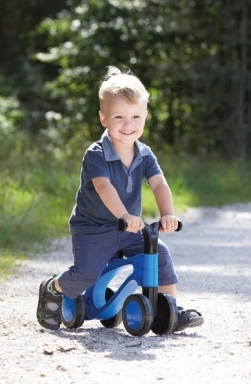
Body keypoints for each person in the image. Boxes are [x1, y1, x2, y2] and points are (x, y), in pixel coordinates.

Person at [36, 66, 204, 333]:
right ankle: (53, 287)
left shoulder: (145, 153)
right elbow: (104, 188)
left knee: (159, 253)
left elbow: (158, 182)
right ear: (104, 119)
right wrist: (124, 216)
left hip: (128, 230)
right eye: (119, 117)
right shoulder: (97, 154)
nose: (129, 124)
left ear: (146, 117)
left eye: (136, 116)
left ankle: (170, 309)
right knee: (86, 274)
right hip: (94, 229)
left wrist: (167, 213)